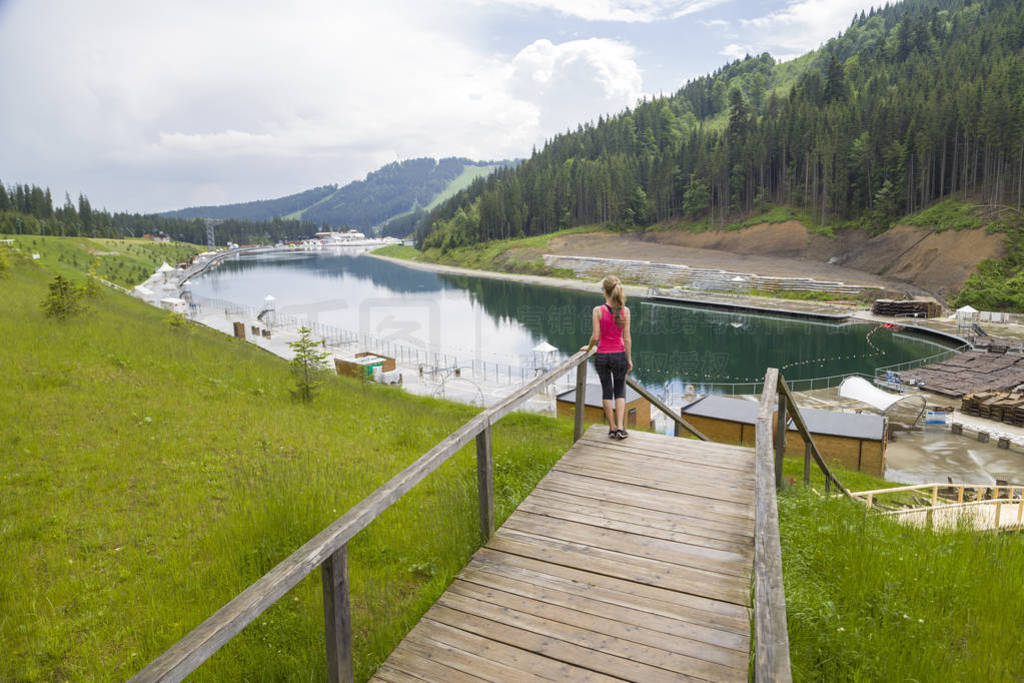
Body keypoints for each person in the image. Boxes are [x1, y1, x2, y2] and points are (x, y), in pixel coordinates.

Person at [582, 275, 633, 439]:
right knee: (620, 391)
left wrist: (589, 348)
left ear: (605, 291)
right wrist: (629, 358)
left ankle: (611, 428)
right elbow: (627, 338)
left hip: (602, 356)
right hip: (619, 356)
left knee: (606, 391)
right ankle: (620, 427)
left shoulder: (597, 310)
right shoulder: (625, 311)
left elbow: (595, 337)